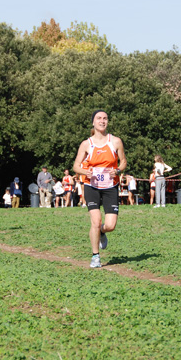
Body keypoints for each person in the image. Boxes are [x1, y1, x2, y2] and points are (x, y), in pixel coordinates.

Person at [73, 109, 127, 268]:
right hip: (91, 186)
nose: (102, 121)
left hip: (111, 186)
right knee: (95, 222)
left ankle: (102, 232)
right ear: (93, 122)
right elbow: (76, 166)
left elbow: (123, 162)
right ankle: (95, 256)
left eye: (105, 118)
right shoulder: (86, 144)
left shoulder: (116, 141)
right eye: (99, 118)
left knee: (110, 225)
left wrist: (117, 170)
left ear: (107, 122)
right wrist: (85, 171)